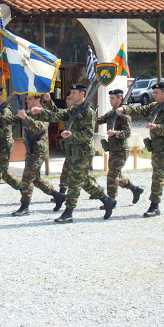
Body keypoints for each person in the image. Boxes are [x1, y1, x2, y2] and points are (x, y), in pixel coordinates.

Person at [30, 84, 117, 223]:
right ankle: (107, 201)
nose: (70, 95)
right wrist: (42, 110)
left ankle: (68, 212)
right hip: (73, 152)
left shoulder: (88, 111)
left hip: (83, 152)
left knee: (74, 182)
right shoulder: (74, 109)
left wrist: (71, 134)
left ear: (82, 94)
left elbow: (88, 134)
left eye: (74, 93)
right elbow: (58, 115)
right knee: (84, 181)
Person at [115, 82, 164, 217]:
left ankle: (154, 205)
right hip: (157, 146)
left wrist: (157, 127)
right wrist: (125, 109)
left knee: (158, 176)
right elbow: (140, 110)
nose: (154, 95)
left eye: (157, 93)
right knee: (162, 174)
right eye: (154, 92)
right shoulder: (155, 107)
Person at [0, 94, 64, 216]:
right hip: (31, 149)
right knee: (36, 179)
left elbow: (40, 128)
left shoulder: (44, 113)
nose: (27, 101)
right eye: (27, 99)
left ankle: (25, 206)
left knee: (27, 178)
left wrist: (26, 118)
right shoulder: (28, 112)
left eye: (29, 99)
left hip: (39, 150)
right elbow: (14, 119)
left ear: (38, 100)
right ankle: (58, 196)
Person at [96, 89, 145, 205]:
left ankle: (111, 201)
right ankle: (134, 189)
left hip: (121, 149)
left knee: (112, 175)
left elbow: (127, 133)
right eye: (110, 98)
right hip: (113, 149)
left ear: (120, 99)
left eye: (112, 98)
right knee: (116, 174)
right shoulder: (112, 113)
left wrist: (116, 133)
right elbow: (100, 120)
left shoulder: (124, 115)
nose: (110, 100)